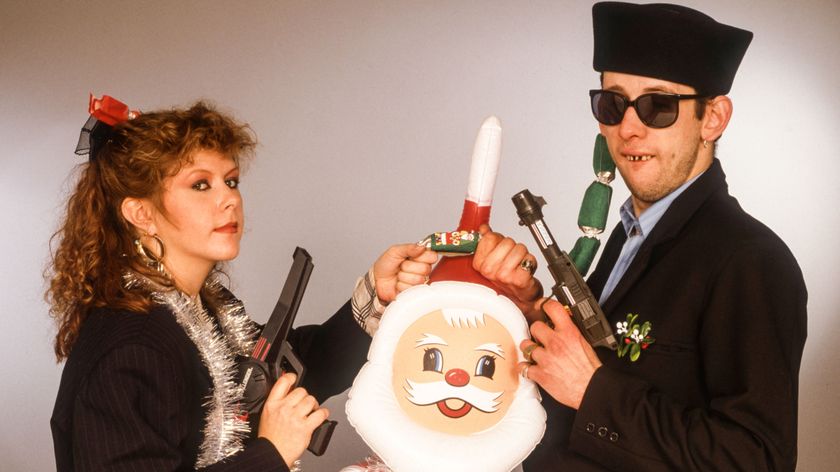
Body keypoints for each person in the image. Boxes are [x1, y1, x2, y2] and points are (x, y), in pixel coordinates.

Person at [474, 3, 808, 471]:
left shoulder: (751, 261)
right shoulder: (628, 235)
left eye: (658, 106)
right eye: (612, 104)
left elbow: (756, 459)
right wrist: (528, 312)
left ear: (713, 118)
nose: (628, 128)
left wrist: (594, 393)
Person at [47, 98, 438, 471]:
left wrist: (376, 295)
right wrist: (272, 453)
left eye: (231, 181)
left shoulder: (202, 306)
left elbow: (275, 378)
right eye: (201, 185)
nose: (229, 200)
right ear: (141, 213)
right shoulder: (131, 347)